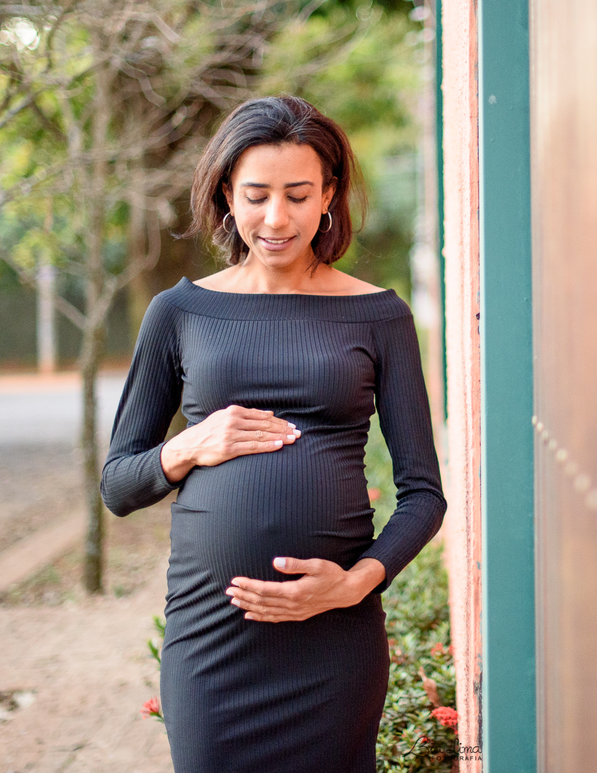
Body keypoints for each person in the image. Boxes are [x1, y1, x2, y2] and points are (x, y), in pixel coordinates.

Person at [100, 95, 447, 772]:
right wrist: (190, 445)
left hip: (333, 639)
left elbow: (424, 493)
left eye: (298, 194)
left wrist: (354, 583)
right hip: (214, 643)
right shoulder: (179, 312)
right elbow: (118, 483)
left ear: (330, 195)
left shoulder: (378, 316)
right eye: (257, 195)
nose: (277, 217)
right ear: (228, 193)